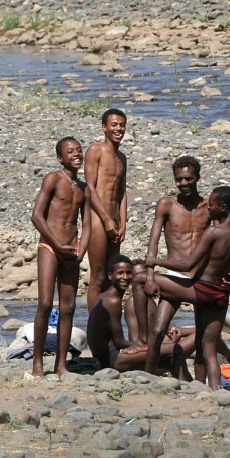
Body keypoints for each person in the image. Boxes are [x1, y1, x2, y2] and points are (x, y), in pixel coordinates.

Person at [142, 186, 230, 390]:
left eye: (212, 205)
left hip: (202, 290)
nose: (208, 208)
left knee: (141, 278)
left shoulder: (214, 231)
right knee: (209, 348)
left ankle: (141, 353)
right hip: (222, 293)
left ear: (223, 207)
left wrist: (154, 261)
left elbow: (187, 265)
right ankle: (214, 390)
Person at [131, 156, 212, 361]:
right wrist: (150, 276)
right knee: (158, 331)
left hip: (200, 277)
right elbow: (153, 242)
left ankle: (202, 374)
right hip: (174, 276)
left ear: (197, 178)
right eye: (179, 179)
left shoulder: (209, 207)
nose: (183, 183)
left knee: (204, 332)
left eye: (188, 179)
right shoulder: (167, 204)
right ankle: (149, 372)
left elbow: (223, 237)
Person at [30, 137, 92, 377]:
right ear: (60, 158)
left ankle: (61, 365)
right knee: (45, 303)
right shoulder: (53, 179)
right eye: (70, 151)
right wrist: (56, 244)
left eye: (79, 150)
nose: (76, 154)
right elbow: (37, 216)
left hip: (71, 250)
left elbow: (87, 224)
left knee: (68, 307)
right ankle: (37, 363)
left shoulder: (84, 188)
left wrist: (81, 250)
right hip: (50, 246)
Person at [86, 255, 191, 379]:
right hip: (110, 359)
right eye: (120, 273)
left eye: (128, 273)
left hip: (103, 356)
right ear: (110, 275)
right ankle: (186, 385)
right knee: (175, 349)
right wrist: (147, 345)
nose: (125, 277)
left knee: (165, 356)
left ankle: (183, 384)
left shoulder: (104, 296)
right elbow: (119, 342)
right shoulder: (113, 301)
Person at [84, 108, 129, 311]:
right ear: (104, 127)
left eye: (122, 125)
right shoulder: (96, 151)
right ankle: (93, 324)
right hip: (97, 218)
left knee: (113, 275)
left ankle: (108, 320)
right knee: (99, 276)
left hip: (114, 219)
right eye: (114, 125)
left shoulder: (122, 158)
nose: (118, 129)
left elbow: (122, 192)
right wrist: (106, 219)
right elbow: (90, 187)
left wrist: (122, 222)